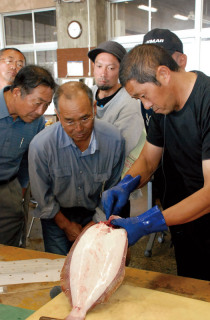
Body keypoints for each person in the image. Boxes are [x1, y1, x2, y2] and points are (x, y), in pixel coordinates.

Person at [102, 44, 210, 281]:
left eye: (144, 95)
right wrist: (125, 184)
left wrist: (146, 222)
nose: (146, 105)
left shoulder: (207, 101)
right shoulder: (163, 107)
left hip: (205, 211)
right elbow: (149, 159)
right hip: (184, 218)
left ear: (164, 74)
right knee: (191, 285)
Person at [28, 81, 125, 256]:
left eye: (85, 118)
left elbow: (114, 188)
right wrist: (65, 225)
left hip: (95, 212)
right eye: (69, 121)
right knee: (58, 266)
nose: (79, 129)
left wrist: (95, 223)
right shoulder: (41, 146)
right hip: (55, 215)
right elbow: (42, 196)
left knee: (95, 263)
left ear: (94, 108)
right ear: (57, 115)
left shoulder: (114, 140)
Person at [0, 65, 56, 248]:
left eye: (46, 105)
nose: (41, 111)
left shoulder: (36, 122)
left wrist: (21, 189)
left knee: (9, 248)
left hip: (9, 188)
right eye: (37, 103)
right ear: (17, 92)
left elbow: (27, 158)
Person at [141, 29, 188, 209]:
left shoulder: (203, 100)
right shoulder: (156, 104)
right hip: (172, 193)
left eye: (162, 61)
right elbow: (148, 158)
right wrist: (126, 184)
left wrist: (150, 222)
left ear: (181, 61)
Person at [88, 40, 144, 158]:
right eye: (99, 66)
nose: (103, 73)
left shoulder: (129, 102)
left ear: (121, 71)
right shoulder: (86, 94)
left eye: (111, 68)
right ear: (93, 67)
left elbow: (121, 148)